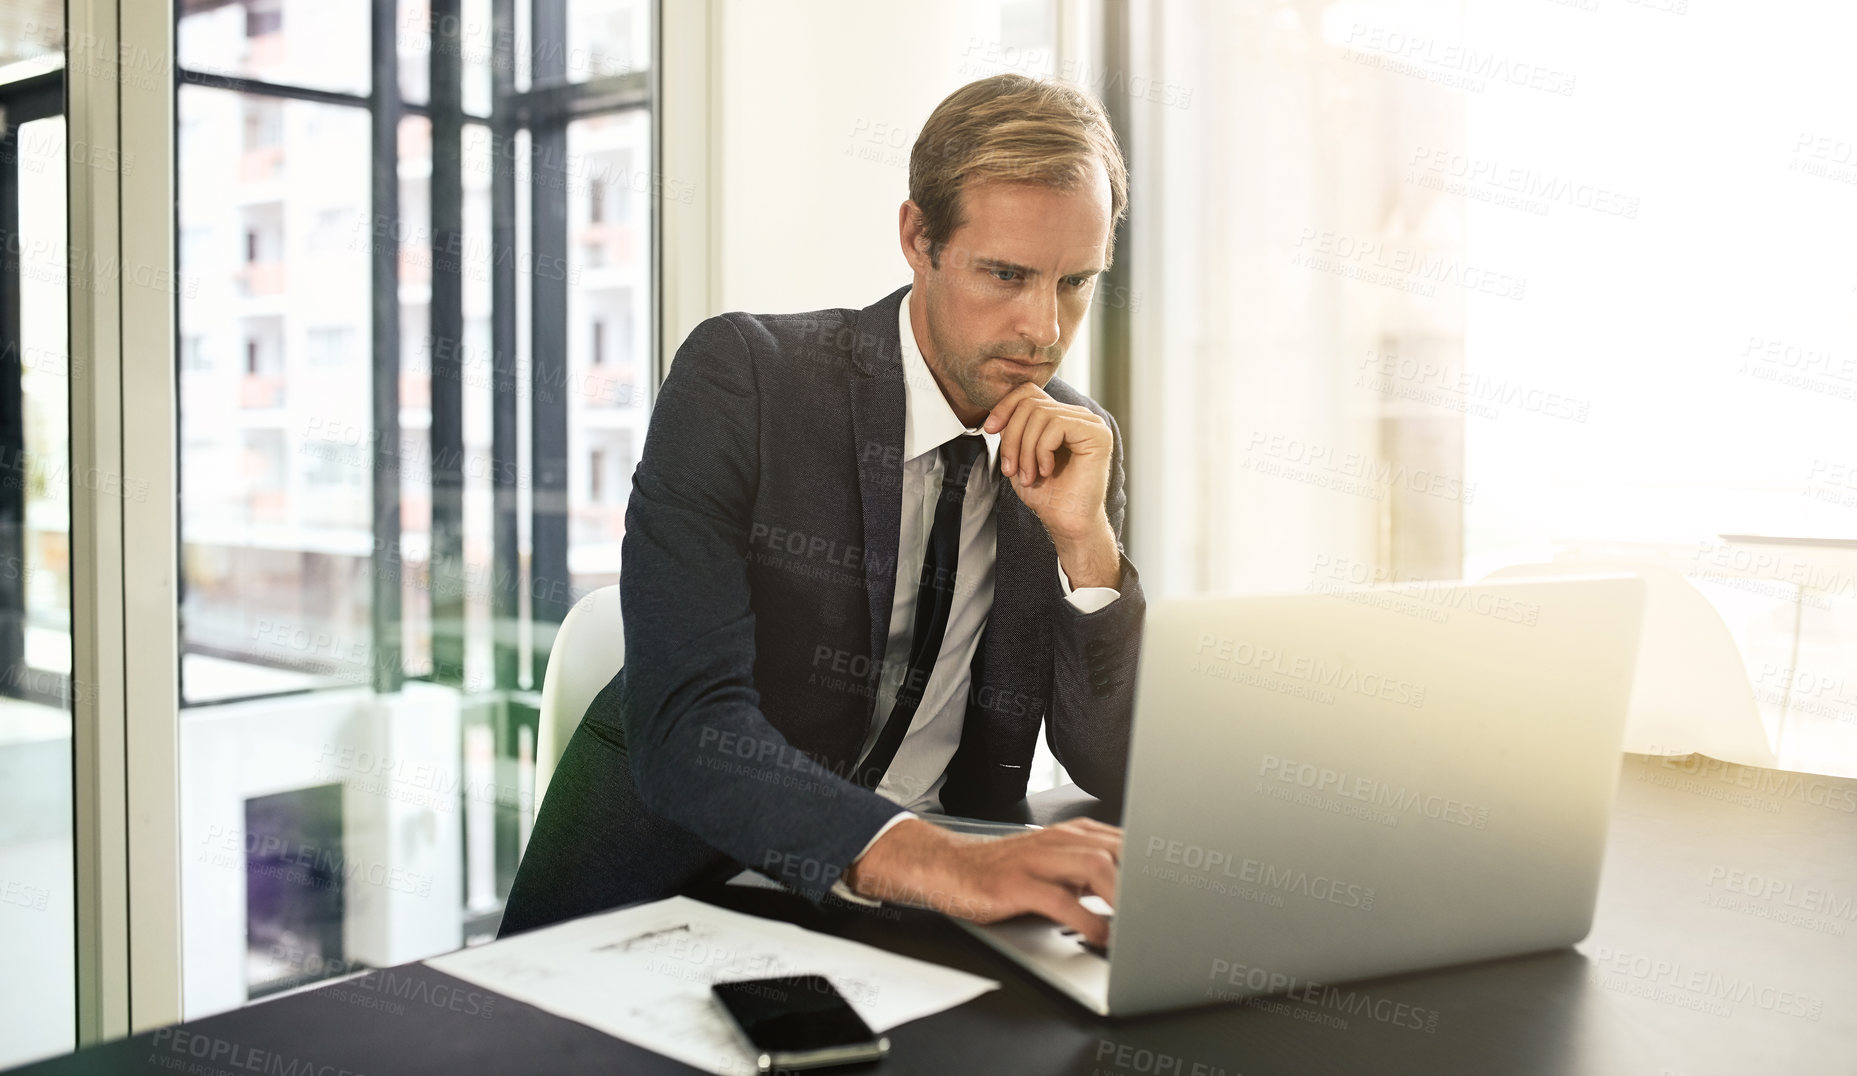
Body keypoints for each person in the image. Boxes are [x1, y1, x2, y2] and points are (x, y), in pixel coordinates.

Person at [502, 74, 1144, 949]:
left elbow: (1116, 765)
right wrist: (943, 863)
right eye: (1006, 274)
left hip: (931, 916)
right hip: (686, 897)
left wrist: (1085, 544)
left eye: (1075, 283)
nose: (1043, 329)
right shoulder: (746, 378)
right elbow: (690, 729)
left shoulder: (1074, 441)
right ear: (919, 238)